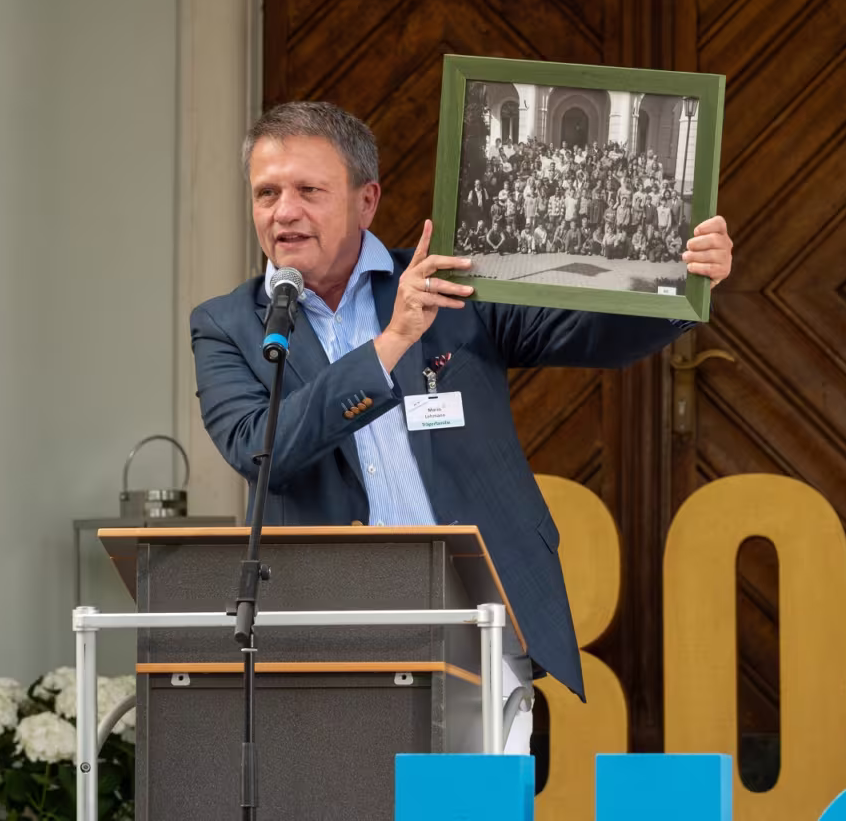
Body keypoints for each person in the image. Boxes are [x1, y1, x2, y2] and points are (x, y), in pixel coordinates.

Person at [191, 102, 733, 754]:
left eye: (308, 190)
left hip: (478, 616)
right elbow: (260, 449)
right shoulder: (230, 324)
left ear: (367, 201)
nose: (283, 212)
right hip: (326, 627)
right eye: (266, 193)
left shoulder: (451, 286)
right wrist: (390, 344)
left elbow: (593, 333)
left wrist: (681, 283)